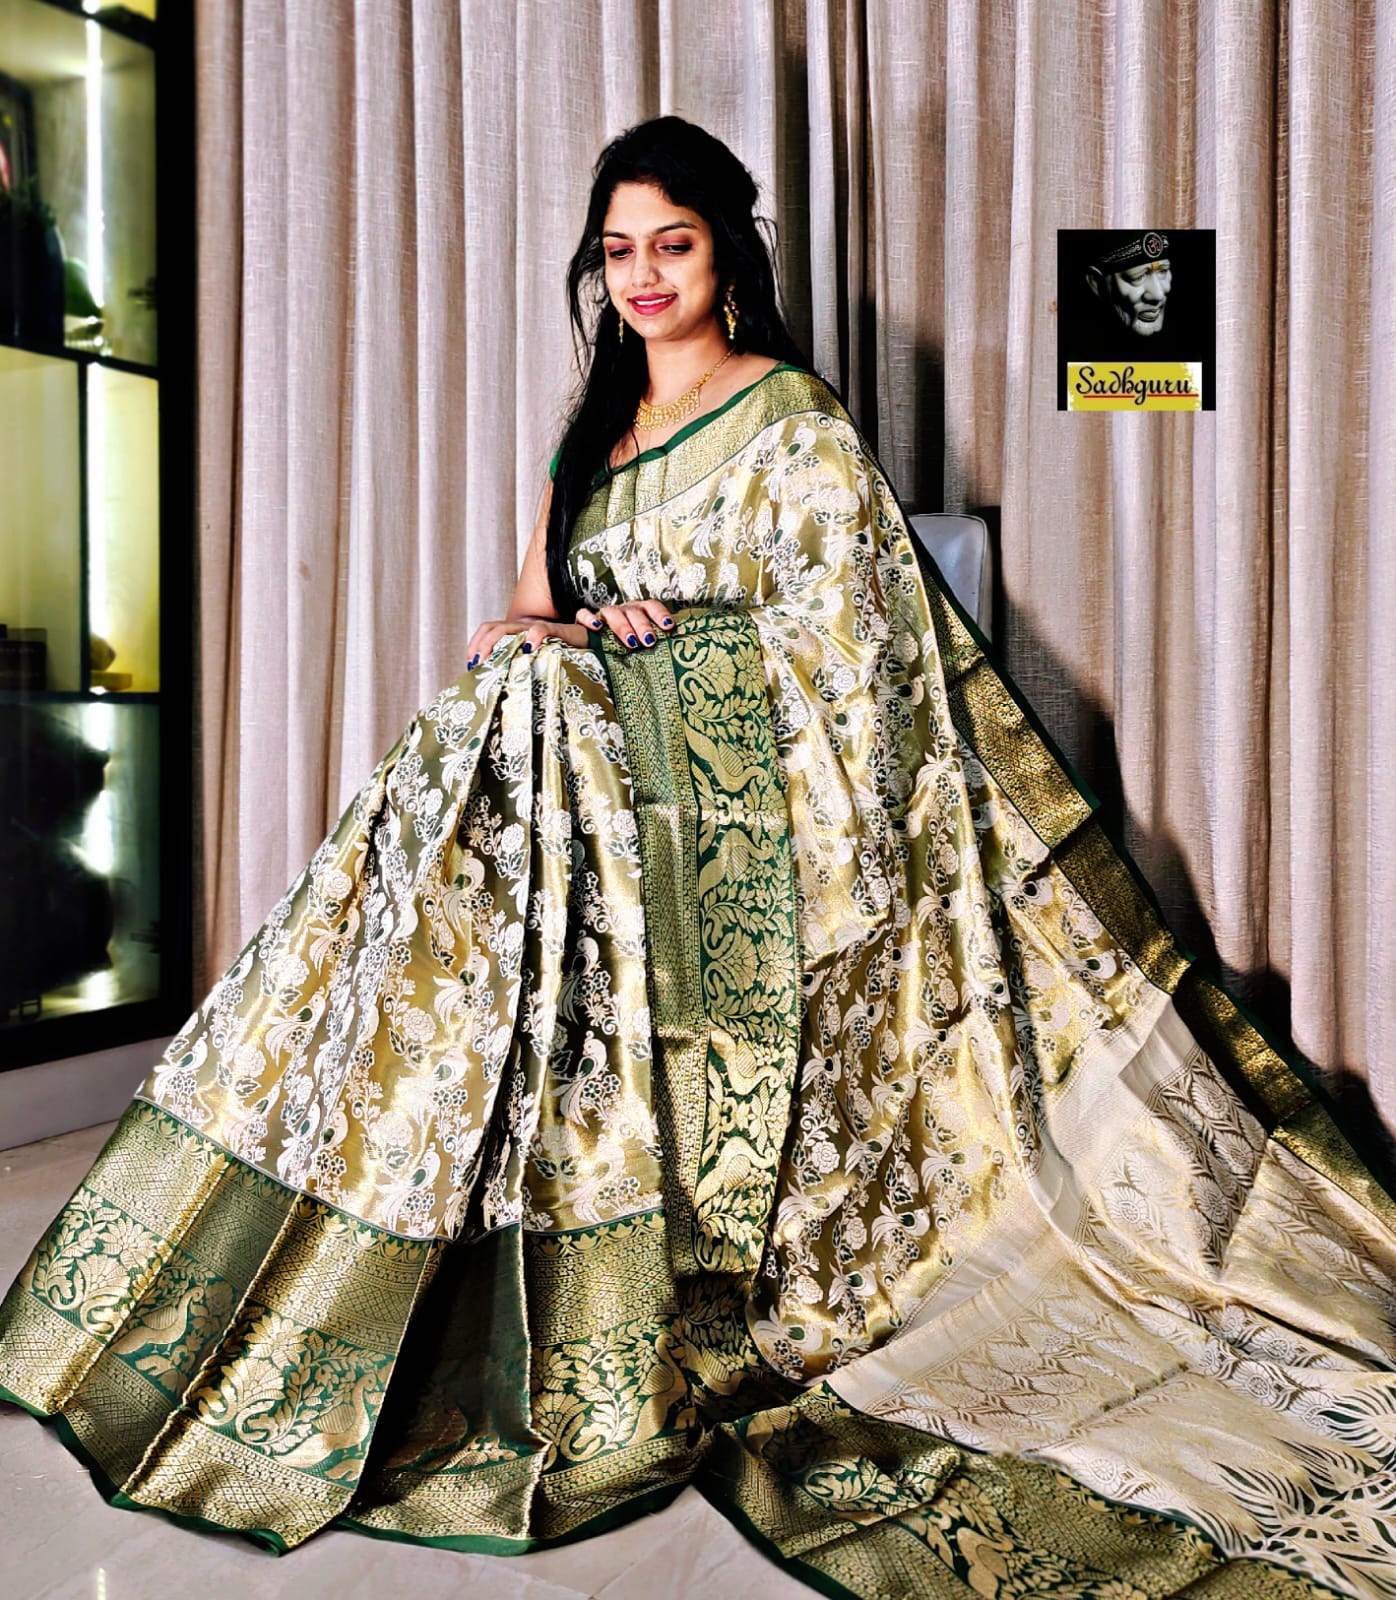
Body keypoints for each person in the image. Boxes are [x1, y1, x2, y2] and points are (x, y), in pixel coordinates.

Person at [1, 115, 1393, 1599]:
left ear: (730, 251)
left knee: (538, 718)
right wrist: (577, 643)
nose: (645, 276)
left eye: (673, 243)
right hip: (599, 796)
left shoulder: (791, 418)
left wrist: (677, 656)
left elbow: (858, 664)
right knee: (515, 698)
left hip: (750, 812)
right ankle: (347, 1230)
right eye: (619, 251)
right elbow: (514, 623)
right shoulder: (588, 441)